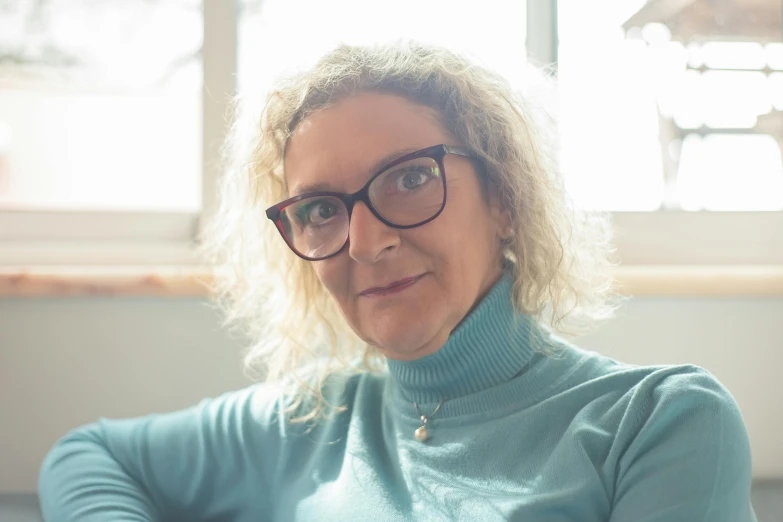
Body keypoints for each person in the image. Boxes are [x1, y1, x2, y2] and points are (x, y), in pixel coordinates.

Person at [38, 41, 757, 521]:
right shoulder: (312, 419)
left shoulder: (656, 422)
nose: (367, 240)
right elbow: (85, 455)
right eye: (321, 209)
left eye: (410, 178)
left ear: (504, 197)